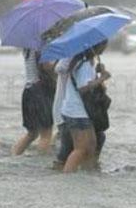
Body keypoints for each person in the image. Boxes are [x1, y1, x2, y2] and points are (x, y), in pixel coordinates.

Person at [61, 45, 111, 173]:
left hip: (80, 111)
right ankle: (66, 177)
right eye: (103, 45)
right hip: (77, 112)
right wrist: (102, 78)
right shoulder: (83, 65)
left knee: (90, 147)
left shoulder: (86, 64)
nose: (104, 48)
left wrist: (99, 74)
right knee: (81, 149)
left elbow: (94, 87)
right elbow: (82, 88)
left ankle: (88, 177)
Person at [12, 49, 56, 156]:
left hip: (28, 91)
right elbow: (46, 66)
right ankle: (42, 165)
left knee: (32, 134)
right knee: (46, 135)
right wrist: (57, 65)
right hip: (40, 92)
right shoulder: (40, 46)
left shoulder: (28, 48)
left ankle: (14, 156)